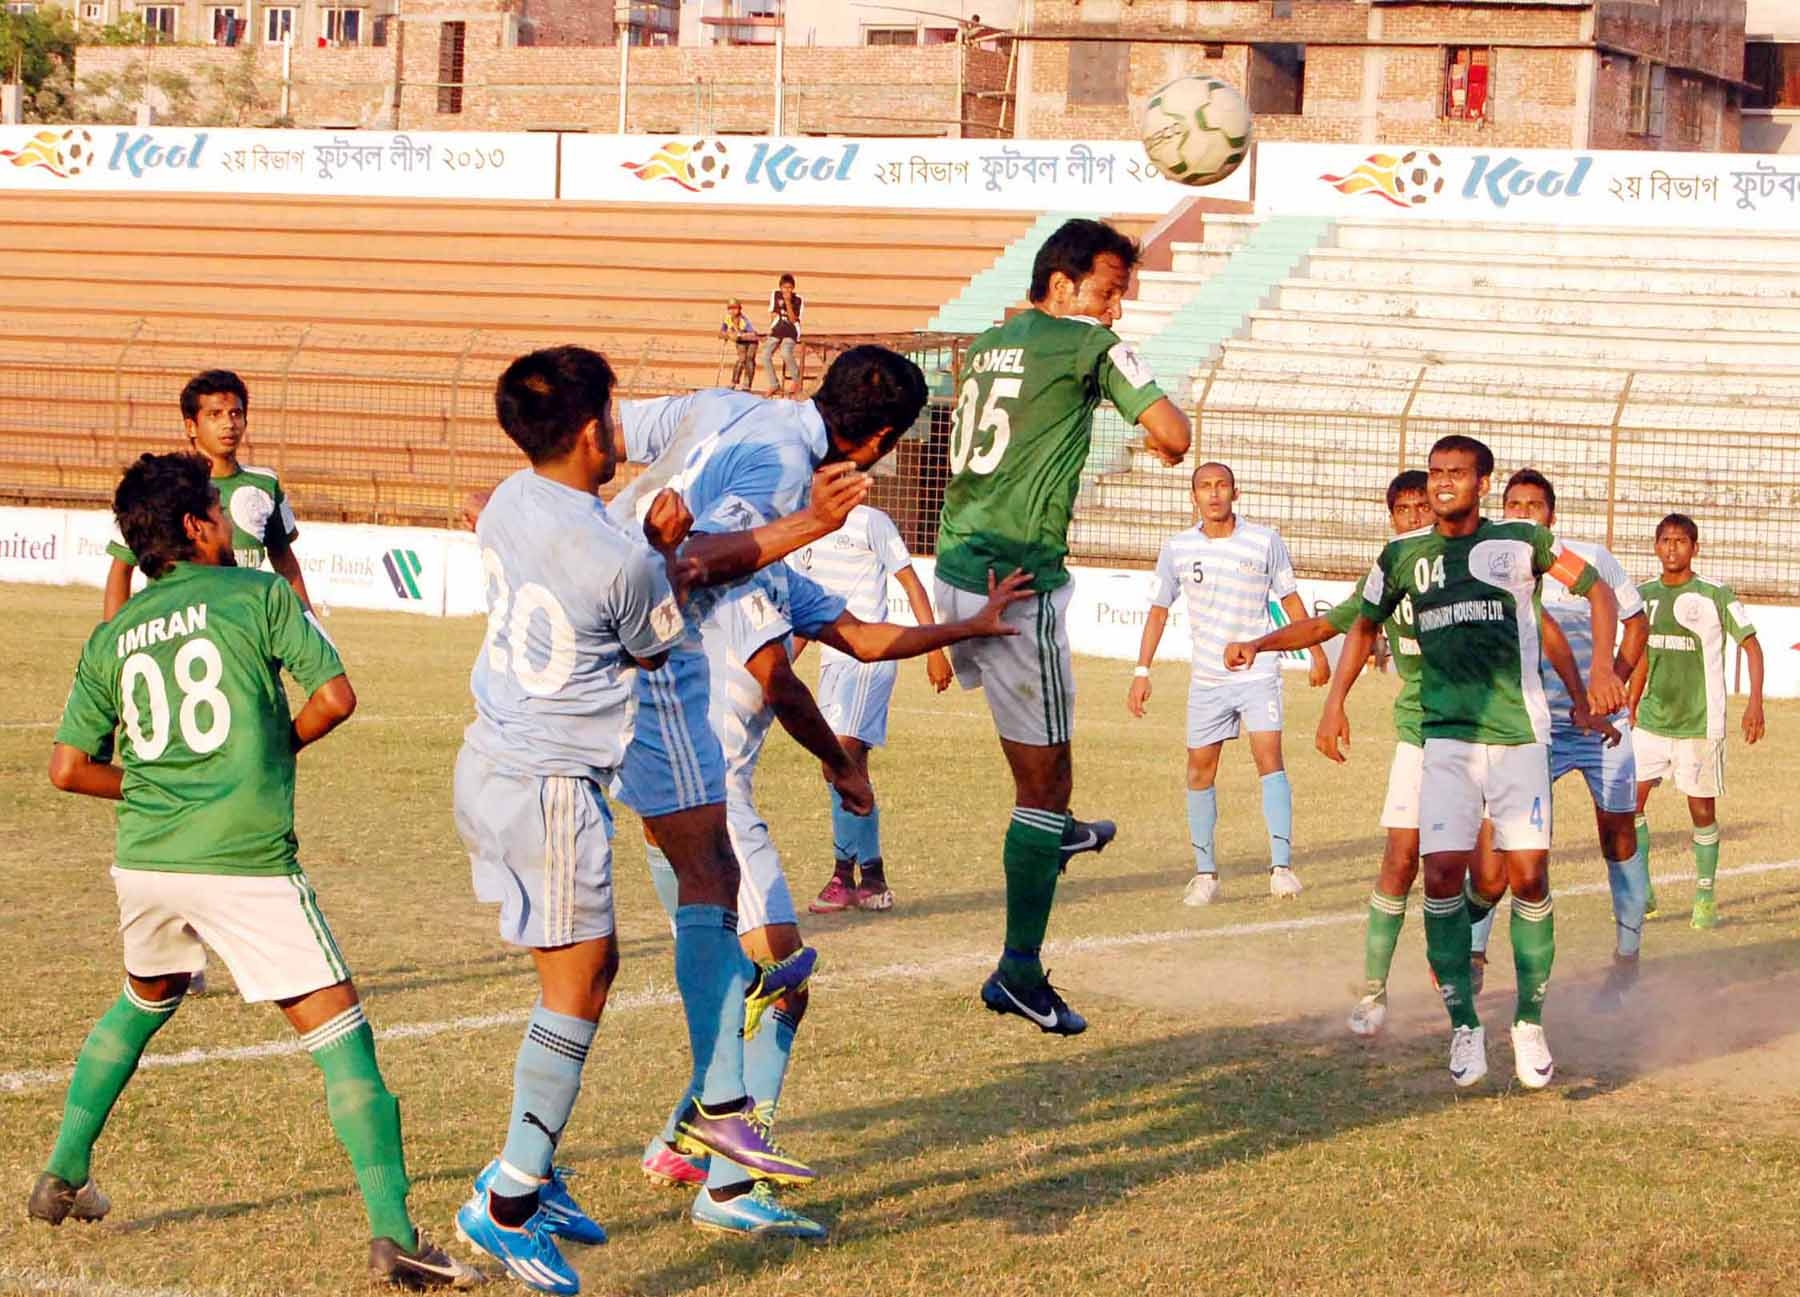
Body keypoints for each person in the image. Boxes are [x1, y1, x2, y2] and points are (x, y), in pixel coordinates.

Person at [32, 452, 476, 1290]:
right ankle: (396, 1235)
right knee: (343, 1037)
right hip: (240, 857)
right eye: (218, 511)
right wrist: (267, 750)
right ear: (199, 526)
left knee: (145, 995)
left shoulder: (113, 634)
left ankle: (63, 1173)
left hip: (148, 859)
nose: (233, 523)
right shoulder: (259, 595)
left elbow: (66, 768)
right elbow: (337, 696)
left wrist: (161, 782)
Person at [453, 345, 802, 1295]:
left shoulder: (511, 499)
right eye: (611, 414)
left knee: (579, 972)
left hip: (492, 758)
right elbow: (655, 642)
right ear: (586, 432)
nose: (622, 427)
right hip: (551, 782)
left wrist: (643, 544)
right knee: (582, 982)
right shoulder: (614, 556)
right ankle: (509, 1200)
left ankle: (537, 1169)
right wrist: (662, 551)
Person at [640, 557, 1029, 1238]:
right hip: (713, 806)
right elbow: (779, 681)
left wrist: (964, 626)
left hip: (671, 800)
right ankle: (732, 1186)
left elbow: (864, 637)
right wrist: (839, 760)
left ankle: (681, 1144)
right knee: (780, 988)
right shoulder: (735, 573)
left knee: (738, 987)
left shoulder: (776, 573)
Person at [933, 217, 1192, 1036]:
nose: (1116, 311)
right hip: (1016, 582)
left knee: (1045, 781)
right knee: (1043, 788)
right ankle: (1018, 971)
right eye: (1110, 291)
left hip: (955, 565)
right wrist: (1160, 445)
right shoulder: (1088, 345)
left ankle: (1059, 831)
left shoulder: (990, 340)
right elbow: (1175, 435)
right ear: (1063, 284)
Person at [1230, 471, 1591, 1036]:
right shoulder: (1396, 571)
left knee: (1494, 876)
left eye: (1423, 506)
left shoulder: (1478, 568)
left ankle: (1455, 943)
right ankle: (1373, 992)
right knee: (1401, 859)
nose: (1415, 516)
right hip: (1422, 735)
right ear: (1392, 517)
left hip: (1492, 734)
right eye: (1403, 509)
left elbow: (1545, 633)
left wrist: (1580, 699)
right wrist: (1263, 648)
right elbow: (1333, 625)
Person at [1316, 435, 1625, 1091]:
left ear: (1482, 482)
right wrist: (1334, 701)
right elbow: (1363, 625)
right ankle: (1464, 1023)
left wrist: (1599, 666)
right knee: (1440, 878)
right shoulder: (1402, 554)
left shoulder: (1522, 541)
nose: (1443, 483)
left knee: (1529, 876)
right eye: (1435, 473)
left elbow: (1598, 592)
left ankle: (1529, 1022)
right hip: (1445, 739)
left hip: (1518, 734)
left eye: (1457, 473)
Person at [1128, 461, 1329, 905]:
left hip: (1258, 673)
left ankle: (1281, 868)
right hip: (1207, 680)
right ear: (1193, 496)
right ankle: (1205, 874)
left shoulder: (1264, 540)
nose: (1214, 493)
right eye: (1205, 486)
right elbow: (1159, 609)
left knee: (1269, 758)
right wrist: (1142, 672)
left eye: (1221, 486)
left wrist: (1315, 651)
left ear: (1235, 493)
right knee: (1200, 769)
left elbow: (1290, 598)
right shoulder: (1178, 548)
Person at [1499, 469, 1650, 1005]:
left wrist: (1614, 676)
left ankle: (1627, 957)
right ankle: (1475, 957)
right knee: (1514, 843)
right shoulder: (1492, 569)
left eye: (1533, 506)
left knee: (1618, 833)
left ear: (1551, 516)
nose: (1523, 515)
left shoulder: (1590, 561)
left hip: (1601, 726)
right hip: (1533, 726)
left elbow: (1636, 621)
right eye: (1513, 505)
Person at [791, 504, 955, 914]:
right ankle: (873, 877)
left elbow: (911, 585)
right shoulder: (803, 526)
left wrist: (934, 650)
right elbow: (805, 615)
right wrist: (776, 666)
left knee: (840, 758)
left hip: (872, 655)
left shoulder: (871, 521)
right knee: (844, 768)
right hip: (832, 660)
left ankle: (842, 877)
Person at [1629, 513, 1765, 931]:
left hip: (1700, 725)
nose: (1672, 548)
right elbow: (1639, 656)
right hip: (1650, 722)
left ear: (1695, 547)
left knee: (1701, 810)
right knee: (1628, 806)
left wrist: (1754, 702)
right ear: (1655, 546)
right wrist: (1630, 706)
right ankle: (1641, 890)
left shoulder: (1715, 595)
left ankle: (1704, 895)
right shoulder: (1643, 596)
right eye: (1665, 540)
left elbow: (1753, 647)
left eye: (1681, 541)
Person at [104, 370, 312, 620]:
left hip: (241, 627)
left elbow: (285, 562)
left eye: (236, 413)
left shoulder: (265, 484)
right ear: (191, 426)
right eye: (215, 414)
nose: (229, 423)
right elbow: (121, 569)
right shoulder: (158, 485)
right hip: (176, 628)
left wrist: (309, 624)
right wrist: (113, 633)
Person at [757, 273, 803, 398]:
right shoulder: (775, 295)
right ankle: (774, 383)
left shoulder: (798, 300)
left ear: (793, 288)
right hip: (777, 329)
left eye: (789, 287)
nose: (786, 290)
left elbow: (794, 320)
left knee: (785, 352)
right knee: (765, 355)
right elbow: (772, 313)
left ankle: (797, 379)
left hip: (791, 330)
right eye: (784, 287)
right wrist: (771, 329)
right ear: (780, 287)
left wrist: (788, 302)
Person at [720, 299, 758, 392]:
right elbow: (722, 331)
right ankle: (734, 381)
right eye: (730, 308)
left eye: (735, 308)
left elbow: (752, 333)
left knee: (749, 359)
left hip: (751, 342)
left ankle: (747, 384)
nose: (733, 311)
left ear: (739, 309)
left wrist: (739, 333)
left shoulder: (743, 321)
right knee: (741, 359)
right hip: (740, 341)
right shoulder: (727, 319)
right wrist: (727, 335)